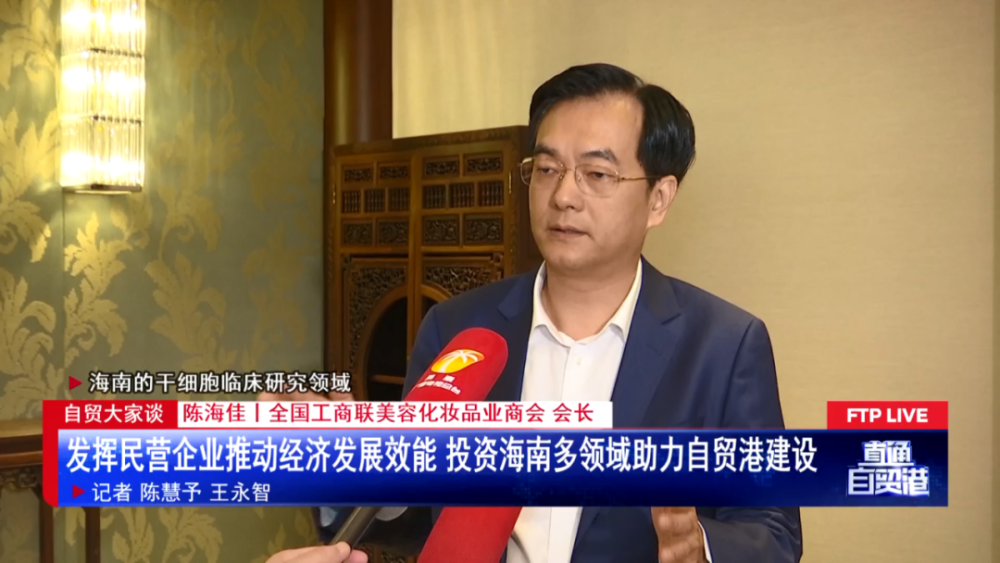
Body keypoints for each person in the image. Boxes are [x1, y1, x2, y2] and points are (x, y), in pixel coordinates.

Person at [263, 63, 802, 563]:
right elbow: (415, 518)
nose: (563, 195)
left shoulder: (724, 345)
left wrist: (701, 546)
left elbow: (774, 530)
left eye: (597, 174)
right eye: (547, 168)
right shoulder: (458, 329)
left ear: (658, 198)